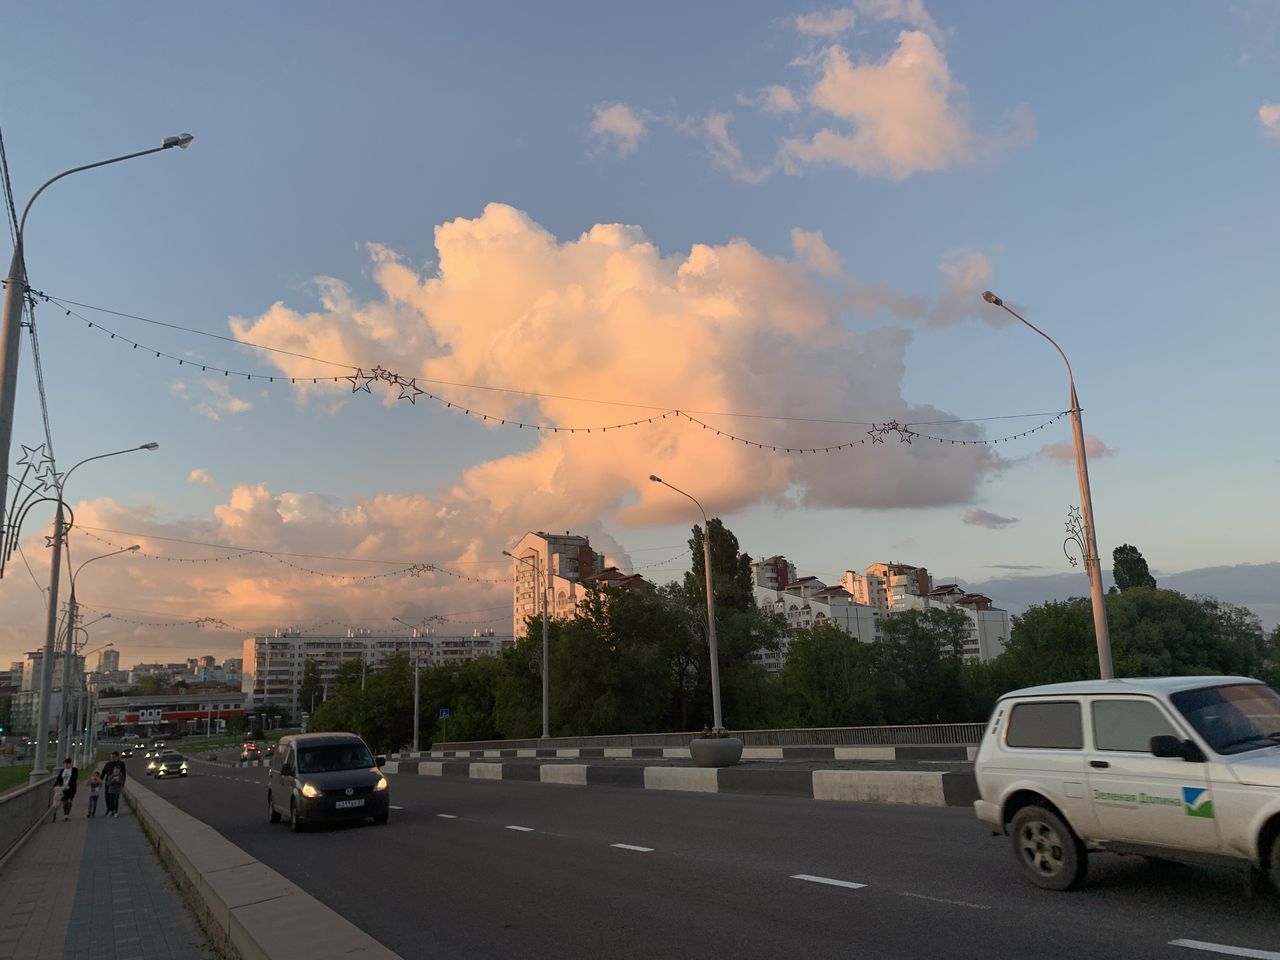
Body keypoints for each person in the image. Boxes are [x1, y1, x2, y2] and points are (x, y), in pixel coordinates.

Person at [100, 750, 127, 817]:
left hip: (117, 784)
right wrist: (100, 780)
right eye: (111, 757)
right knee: (107, 797)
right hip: (108, 783)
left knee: (115, 798)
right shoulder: (108, 764)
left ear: (118, 757)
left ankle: (115, 810)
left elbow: (123, 774)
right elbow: (103, 772)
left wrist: (122, 783)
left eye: (114, 757)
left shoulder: (121, 764)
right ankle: (109, 809)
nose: (112, 758)